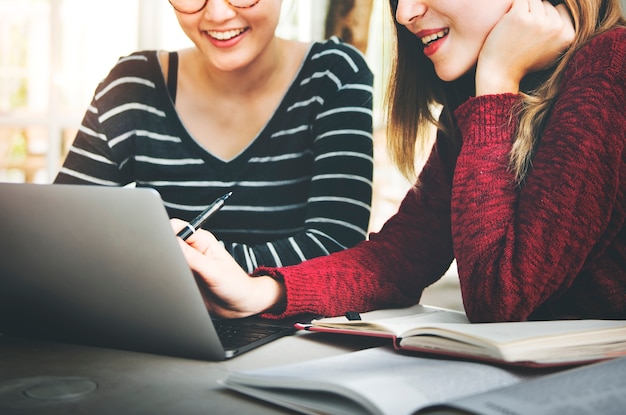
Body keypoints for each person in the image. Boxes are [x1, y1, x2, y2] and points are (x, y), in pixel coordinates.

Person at [171, 0, 626, 322]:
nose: (404, 13)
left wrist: (497, 81)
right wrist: (256, 292)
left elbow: (498, 298)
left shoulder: (611, 67)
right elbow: (399, 258)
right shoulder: (481, 101)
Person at [54, 0, 375, 272]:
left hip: (298, 335)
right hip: (159, 328)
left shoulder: (334, 75)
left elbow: (337, 247)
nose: (218, 14)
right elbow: (59, 232)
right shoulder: (132, 86)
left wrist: (167, 265)